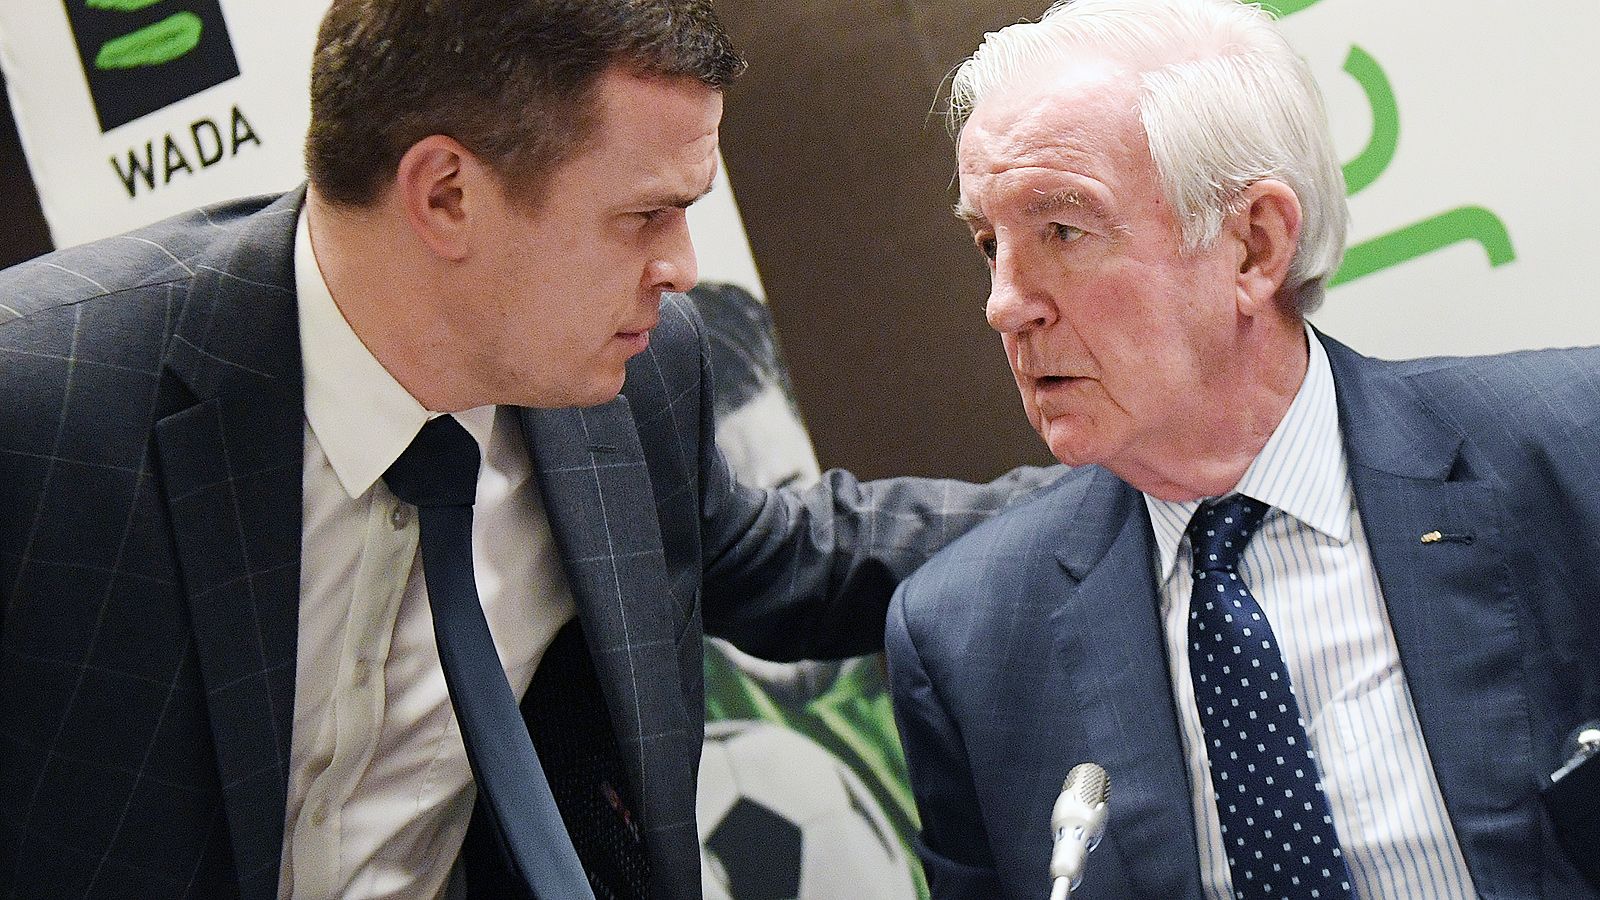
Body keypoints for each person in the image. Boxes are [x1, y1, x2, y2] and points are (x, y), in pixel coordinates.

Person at [0, 1, 1050, 897]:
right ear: (446, 194)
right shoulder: (43, 405)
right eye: (645, 215)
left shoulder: (636, 375)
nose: (682, 267)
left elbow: (776, 555)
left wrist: (1113, 489)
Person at [885, 1, 1600, 898]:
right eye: (991, 244)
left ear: (1254, 247)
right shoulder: (969, 641)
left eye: (1062, 231)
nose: (1004, 304)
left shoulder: (1572, 455)